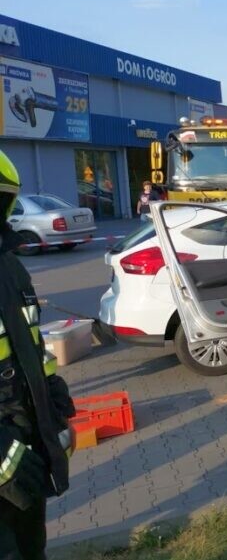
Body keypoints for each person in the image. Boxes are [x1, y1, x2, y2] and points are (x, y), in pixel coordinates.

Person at [0, 149, 76, 560]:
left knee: (32, 549)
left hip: (21, 445)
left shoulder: (10, 267)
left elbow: (27, 342)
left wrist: (50, 393)